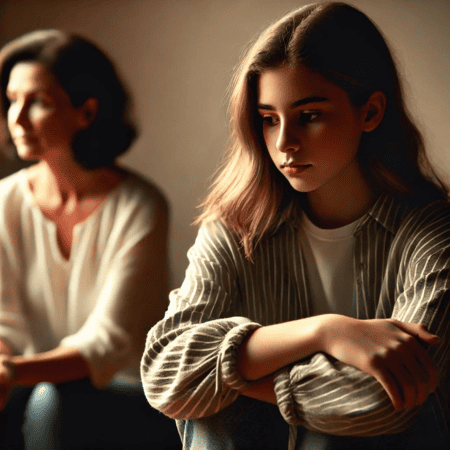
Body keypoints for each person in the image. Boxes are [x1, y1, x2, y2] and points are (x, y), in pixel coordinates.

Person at [141, 2, 450, 449]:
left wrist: (230, 374)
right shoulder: (234, 227)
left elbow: (381, 401)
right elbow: (163, 372)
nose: (284, 142)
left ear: (371, 112)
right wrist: (325, 331)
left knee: (321, 431)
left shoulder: (433, 232)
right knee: (218, 419)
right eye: (268, 120)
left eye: (309, 116)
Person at [0, 30, 180, 449]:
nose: (17, 118)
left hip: (131, 396)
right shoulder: (5, 201)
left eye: (38, 102)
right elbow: (4, 320)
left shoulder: (140, 205)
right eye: (12, 100)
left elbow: (109, 342)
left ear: (86, 112)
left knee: (49, 400)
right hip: (24, 385)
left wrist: (12, 373)